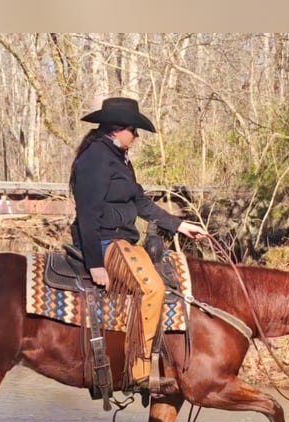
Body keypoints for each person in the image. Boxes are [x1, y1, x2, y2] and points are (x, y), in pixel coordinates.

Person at [70, 96, 208, 391]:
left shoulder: (118, 159)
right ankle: (139, 370)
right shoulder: (95, 159)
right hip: (107, 240)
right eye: (134, 130)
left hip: (122, 239)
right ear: (117, 129)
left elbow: (141, 203)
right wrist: (95, 263)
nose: (136, 136)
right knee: (152, 287)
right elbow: (88, 213)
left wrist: (181, 225)